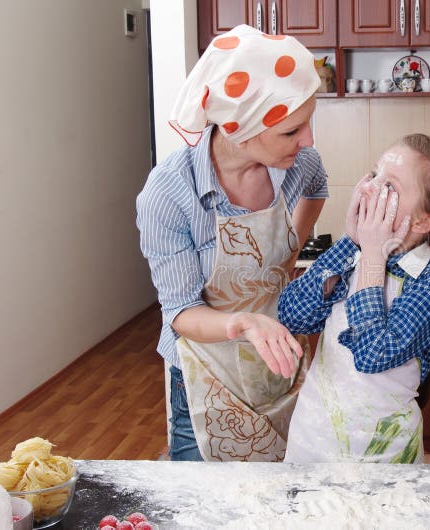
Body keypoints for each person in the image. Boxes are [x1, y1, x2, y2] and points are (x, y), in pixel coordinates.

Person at [136, 24, 328, 462]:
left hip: (277, 364)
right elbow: (182, 312)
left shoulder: (301, 166)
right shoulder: (170, 194)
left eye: (308, 123)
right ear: (241, 128)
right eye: (291, 131)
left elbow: (316, 188)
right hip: (206, 373)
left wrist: (290, 248)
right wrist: (243, 322)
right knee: (207, 506)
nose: (308, 140)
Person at [278, 133, 430, 463]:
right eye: (374, 174)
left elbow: (372, 355)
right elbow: (292, 315)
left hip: (384, 456)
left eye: (391, 187)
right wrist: (352, 242)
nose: (369, 188)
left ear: (425, 221)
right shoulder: (354, 252)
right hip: (311, 442)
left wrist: (370, 256)